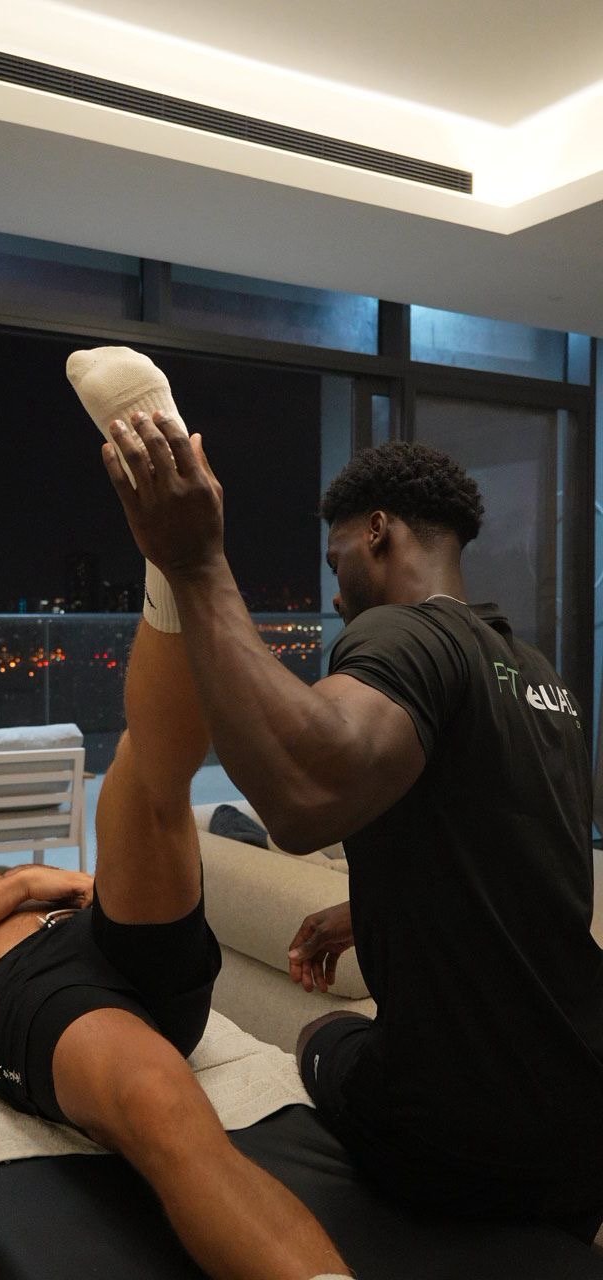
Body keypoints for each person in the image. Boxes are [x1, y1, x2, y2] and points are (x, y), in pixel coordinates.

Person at [102, 399, 603, 1246]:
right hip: (585, 1118)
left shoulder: (406, 637)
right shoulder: (537, 675)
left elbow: (304, 795)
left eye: (336, 560)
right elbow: (514, 858)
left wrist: (194, 562)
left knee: (322, 1034)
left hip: (466, 1144)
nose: (335, 593)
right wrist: (365, 910)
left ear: (377, 532)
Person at [0, 534, 353, 1274]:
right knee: (165, 1115)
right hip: (34, 989)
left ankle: (174, 563)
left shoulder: (21, 885)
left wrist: (59, 892)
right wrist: (21, 883)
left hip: (102, 937)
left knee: (142, 772)